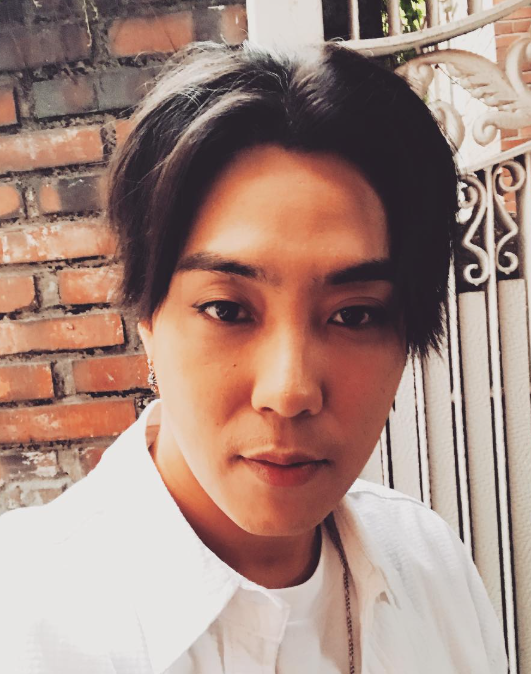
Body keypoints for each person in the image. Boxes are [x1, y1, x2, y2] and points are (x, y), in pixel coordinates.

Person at [0, 41, 507, 673]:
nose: (289, 391)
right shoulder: (22, 620)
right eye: (227, 309)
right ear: (147, 317)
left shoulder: (432, 571)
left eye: (355, 315)